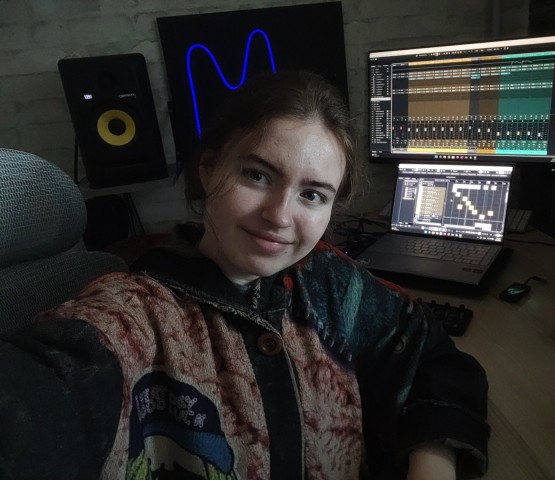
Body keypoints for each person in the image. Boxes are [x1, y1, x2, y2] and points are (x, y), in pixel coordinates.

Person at [0, 70, 489, 480]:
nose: (279, 216)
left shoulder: (329, 283)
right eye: (258, 175)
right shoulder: (132, 318)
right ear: (209, 169)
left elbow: (431, 353)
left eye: (312, 195)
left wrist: (433, 461)